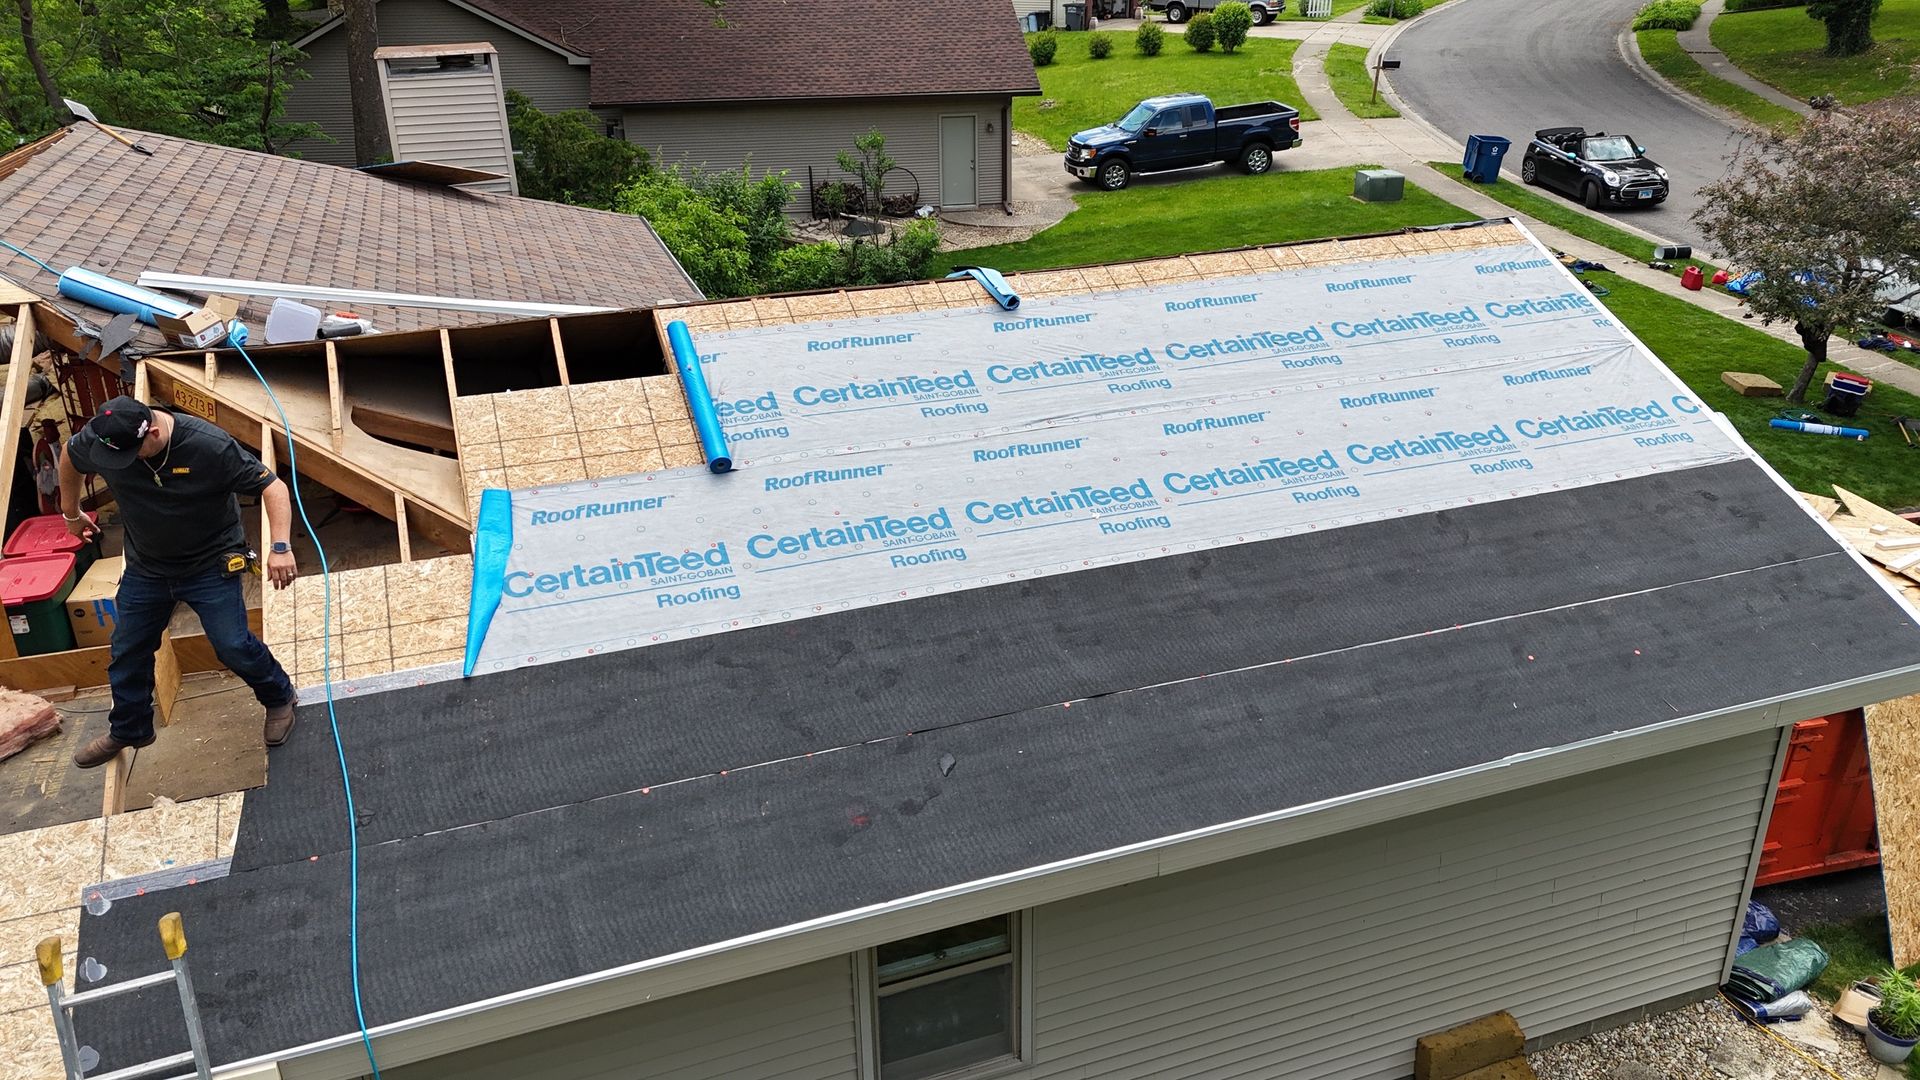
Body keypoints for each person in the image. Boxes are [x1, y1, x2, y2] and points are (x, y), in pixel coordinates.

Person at [58, 396, 299, 767]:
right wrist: (70, 513)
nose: (125, 464)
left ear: (153, 432)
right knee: (127, 651)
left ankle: (279, 696)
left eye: (132, 454)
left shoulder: (208, 445)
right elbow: (70, 458)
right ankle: (129, 728)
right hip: (148, 567)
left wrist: (280, 547)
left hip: (209, 563)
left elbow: (273, 487)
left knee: (231, 644)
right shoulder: (103, 438)